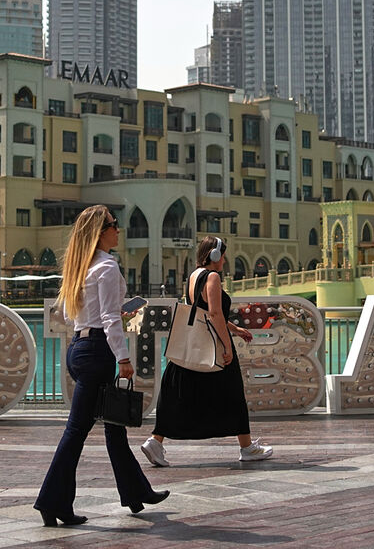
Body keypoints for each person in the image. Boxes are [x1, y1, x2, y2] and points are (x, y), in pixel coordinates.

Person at [35, 205, 169, 527]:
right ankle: (52, 502)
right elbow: (108, 318)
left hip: (79, 348)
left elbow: (73, 315)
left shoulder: (81, 267)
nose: (118, 229)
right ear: (101, 231)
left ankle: (137, 493)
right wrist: (123, 358)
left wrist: (112, 314)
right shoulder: (106, 266)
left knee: (114, 424)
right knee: (76, 431)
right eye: (114, 224)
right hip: (97, 352)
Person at [140, 235, 273, 467]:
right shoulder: (212, 277)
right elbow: (214, 313)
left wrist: (235, 329)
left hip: (193, 346)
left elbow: (200, 312)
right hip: (213, 348)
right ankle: (247, 448)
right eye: (222, 255)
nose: (224, 260)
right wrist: (227, 345)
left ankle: (156, 441)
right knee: (234, 395)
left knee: (178, 395)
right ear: (214, 255)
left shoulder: (193, 276)